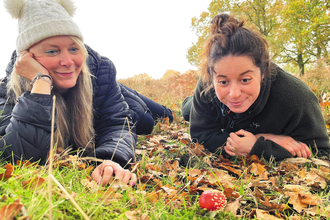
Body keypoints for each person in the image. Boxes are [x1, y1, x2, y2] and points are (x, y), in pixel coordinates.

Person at [0, 0, 172, 186]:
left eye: (74, 49)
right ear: (26, 58)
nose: (67, 61)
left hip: (101, 83)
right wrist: (40, 81)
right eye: (52, 51)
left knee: (150, 119)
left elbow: (118, 124)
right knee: (143, 122)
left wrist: (112, 157)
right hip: (82, 82)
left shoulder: (101, 71)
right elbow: (17, 156)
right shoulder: (9, 90)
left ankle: (124, 90)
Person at [181, 13, 330, 161]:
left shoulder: (297, 98)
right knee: (187, 110)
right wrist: (263, 139)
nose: (234, 93)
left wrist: (258, 146)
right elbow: (201, 137)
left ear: (264, 72)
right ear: (212, 77)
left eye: (245, 79)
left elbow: (322, 152)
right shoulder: (207, 84)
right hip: (202, 106)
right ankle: (189, 103)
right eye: (223, 82)